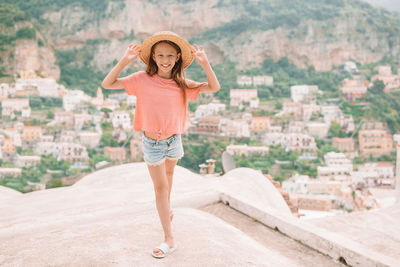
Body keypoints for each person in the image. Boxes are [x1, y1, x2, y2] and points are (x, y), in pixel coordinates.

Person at [101, 31, 220, 258]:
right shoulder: (141, 79)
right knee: (160, 188)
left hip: (174, 140)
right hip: (152, 143)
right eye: (160, 55)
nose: (165, 60)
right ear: (153, 58)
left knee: (169, 178)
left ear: (177, 58)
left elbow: (213, 87)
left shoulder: (182, 83)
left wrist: (206, 64)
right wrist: (125, 61)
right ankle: (169, 238)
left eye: (169, 56)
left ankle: (167, 210)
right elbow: (107, 84)